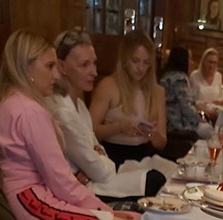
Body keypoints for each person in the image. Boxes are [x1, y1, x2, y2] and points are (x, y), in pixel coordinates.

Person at [0, 29, 139, 220]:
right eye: (49, 67)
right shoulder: (29, 110)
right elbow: (61, 182)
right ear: (27, 69)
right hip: (33, 204)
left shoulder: (7, 102)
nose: (57, 75)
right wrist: (106, 211)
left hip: (31, 199)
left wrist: (105, 211)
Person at [49, 28, 167, 200]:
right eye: (84, 65)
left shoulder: (80, 106)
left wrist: (97, 156)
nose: (94, 72)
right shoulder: (63, 112)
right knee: (154, 180)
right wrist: (102, 153)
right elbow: (101, 167)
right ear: (62, 67)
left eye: (94, 63)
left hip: (102, 170)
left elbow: (97, 149)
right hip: (86, 185)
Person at [89, 32, 167, 169]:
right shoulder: (109, 86)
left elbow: (162, 142)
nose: (141, 68)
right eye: (135, 61)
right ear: (125, 60)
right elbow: (89, 131)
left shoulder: (157, 92)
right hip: (115, 156)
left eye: (146, 62)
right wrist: (119, 127)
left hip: (146, 156)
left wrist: (152, 134)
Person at [160, 46, 211, 148]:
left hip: (167, 123)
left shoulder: (166, 76)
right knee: (210, 131)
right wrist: (199, 119)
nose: (191, 62)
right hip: (177, 125)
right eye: (189, 58)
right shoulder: (180, 79)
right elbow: (186, 107)